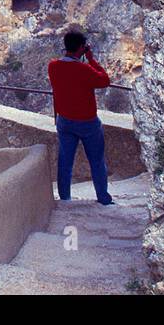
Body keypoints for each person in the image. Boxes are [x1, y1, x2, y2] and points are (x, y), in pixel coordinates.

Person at [47, 30, 114, 205]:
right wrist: (91, 59)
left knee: (65, 162)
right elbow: (105, 80)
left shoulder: (53, 66)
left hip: (64, 121)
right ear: (81, 48)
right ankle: (103, 199)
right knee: (97, 162)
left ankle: (64, 199)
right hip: (87, 122)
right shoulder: (84, 68)